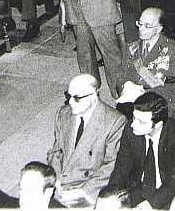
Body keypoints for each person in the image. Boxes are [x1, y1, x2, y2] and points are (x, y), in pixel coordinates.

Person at [104, 91, 175, 209]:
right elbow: (120, 169)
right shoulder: (130, 130)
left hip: (167, 196)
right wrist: (111, 197)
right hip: (138, 190)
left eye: (141, 122)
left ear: (158, 124)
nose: (133, 124)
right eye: (134, 117)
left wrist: (149, 205)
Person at [47, 73, 127, 206]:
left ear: (94, 96)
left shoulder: (114, 122)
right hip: (60, 184)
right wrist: (55, 179)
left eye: (77, 98)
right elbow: (56, 150)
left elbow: (112, 165)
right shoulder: (63, 114)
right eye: (68, 96)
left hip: (88, 186)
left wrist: (83, 192)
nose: (70, 102)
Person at [117, 6, 175, 112]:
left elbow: (171, 88)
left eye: (147, 26)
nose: (141, 29)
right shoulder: (131, 47)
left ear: (159, 29)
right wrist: (126, 87)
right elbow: (121, 77)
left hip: (155, 104)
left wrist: (142, 95)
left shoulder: (173, 50)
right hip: (129, 100)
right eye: (139, 23)